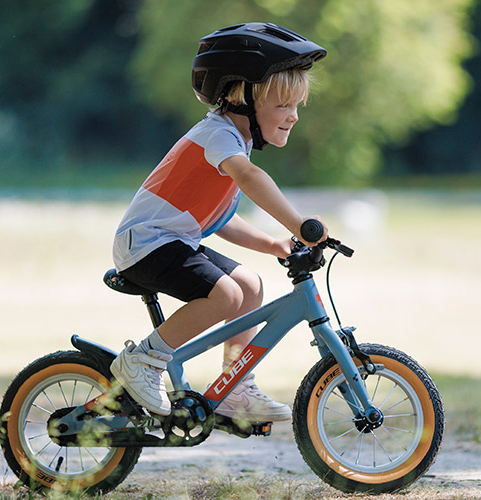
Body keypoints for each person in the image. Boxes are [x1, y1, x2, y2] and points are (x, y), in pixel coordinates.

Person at [107, 22, 329, 423]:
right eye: (283, 105)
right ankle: (143, 358)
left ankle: (234, 387)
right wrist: (299, 224)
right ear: (238, 96)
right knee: (225, 294)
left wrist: (276, 244)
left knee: (249, 285)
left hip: (173, 242)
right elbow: (251, 179)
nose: (293, 116)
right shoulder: (218, 136)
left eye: (297, 106)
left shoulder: (235, 142)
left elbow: (221, 219)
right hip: (145, 244)